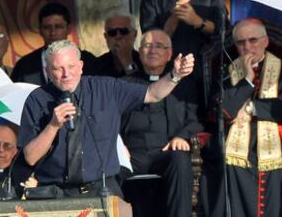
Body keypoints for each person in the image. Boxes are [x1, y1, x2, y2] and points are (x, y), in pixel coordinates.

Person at [19, 39, 194, 198]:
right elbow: (31, 157)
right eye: (58, 69)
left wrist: (175, 76)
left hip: (101, 188)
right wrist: (53, 126)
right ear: (48, 71)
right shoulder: (37, 99)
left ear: (81, 66)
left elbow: (152, 94)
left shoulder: (105, 88)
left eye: (71, 67)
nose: (66, 74)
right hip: (56, 191)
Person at [212, 18, 282, 217]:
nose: (247, 47)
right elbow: (225, 112)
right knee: (230, 160)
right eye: (241, 42)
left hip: (272, 140)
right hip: (236, 144)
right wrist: (246, 80)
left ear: (266, 41)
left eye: (253, 40)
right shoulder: (227, 72)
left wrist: (251, 108)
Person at [120, 29, 203, 217]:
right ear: (139, 52)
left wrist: (182, 137)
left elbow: (195, 120)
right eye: (147, 46)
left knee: (181, 160)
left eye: (159, 46)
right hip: (133, 155)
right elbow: (108, 120)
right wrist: (118, 146)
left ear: (169, 54)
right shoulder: (124, 84)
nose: (152, 51)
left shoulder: (184, 86)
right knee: (110, 167)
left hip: (165, 152)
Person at [140, 0, 229, 90]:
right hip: (167, 76)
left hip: (205, 74)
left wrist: (197, 21)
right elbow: (151, 44)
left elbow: (224, 32)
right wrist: (175, 16)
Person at [11, 2, 96, 85]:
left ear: (68, 29)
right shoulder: (25, 65)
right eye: (47, 27)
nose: (53, 33)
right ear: (40, 30)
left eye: (58, 27)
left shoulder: (88, 61)